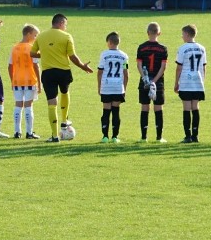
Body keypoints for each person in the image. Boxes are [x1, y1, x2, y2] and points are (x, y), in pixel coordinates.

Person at [29, 13, 94, 143]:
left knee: (51, 103)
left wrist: (46, 54)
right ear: (60, 23)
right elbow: (72, 56)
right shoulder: (66, 36)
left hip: (48, 73)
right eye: (65, 24)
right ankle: (64, 121)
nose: (66, 27)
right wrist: (83, 66)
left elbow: (32, 53)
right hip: (64, 71)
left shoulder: (41, 36)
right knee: (65, 92)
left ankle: (54, 136)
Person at [174, 24, 206, 143]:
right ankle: (195, 135)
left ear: (187, 34)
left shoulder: (182, 48)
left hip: (186, 82)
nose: (182, 36)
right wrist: (203, 80)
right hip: (198, 81)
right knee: (195, 107)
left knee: (186, 108)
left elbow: (179, 67)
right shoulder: (202, 48)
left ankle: (188, 136)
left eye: (183, 34)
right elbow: (204, 67)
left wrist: (176, 82)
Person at [8, 24, 42, 139]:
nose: (36, 37)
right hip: (30, 80)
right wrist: (39, 83)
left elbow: (10, 66)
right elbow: (36, 66)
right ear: (28, 34)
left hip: (17, 80)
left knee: (18, 105)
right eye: (35, 35)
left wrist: (12, 80)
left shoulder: (14, 47)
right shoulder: (32, 48)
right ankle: (29, 132)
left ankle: (17, 132)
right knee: (28, 105)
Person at [136, 22, 168, 142]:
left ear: (148, 32)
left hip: (144, 82)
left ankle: (144, 137)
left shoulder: (141, 47)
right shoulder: (163, 48)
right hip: (158, 83)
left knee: (144, 107)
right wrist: (154, 81)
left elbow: (139, 65)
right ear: (159, 33)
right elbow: (163, 67)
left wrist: (146, 79)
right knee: (158, 108)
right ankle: (159, 137)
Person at [98, 31, 129, 143]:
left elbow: (100, 72)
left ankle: (105, 137)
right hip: (117, 87)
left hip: (106, 86)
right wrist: (124, 88)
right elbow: (126, 74)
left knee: (106, 111)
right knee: (116, 111)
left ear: (109, 42)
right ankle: (115, 137)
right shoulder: (124, 56)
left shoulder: (104, 55)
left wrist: (99, 87)